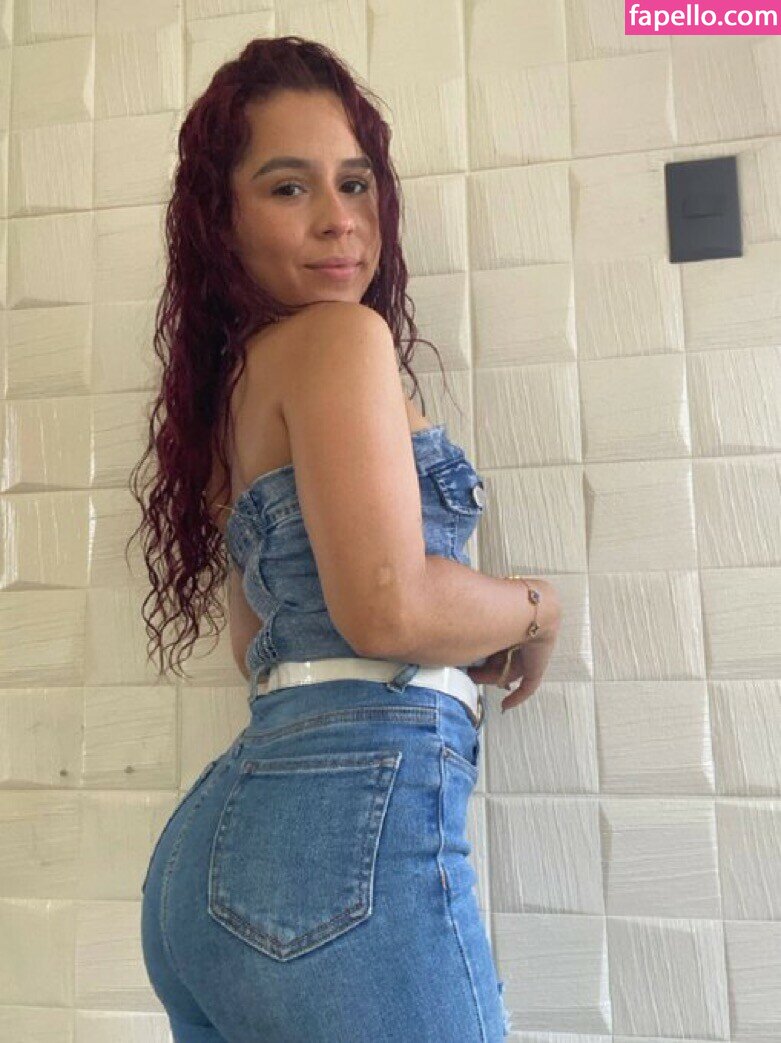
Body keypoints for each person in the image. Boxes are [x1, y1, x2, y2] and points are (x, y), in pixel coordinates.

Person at [134, 35, 561, 1042]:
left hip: (214, 864)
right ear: (221, 220)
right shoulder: (338, 337)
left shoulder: (240, 387)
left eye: (355, 182)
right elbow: (387, 610)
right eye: (289, 187)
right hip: (336, 854)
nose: (339, 219)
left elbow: (260, 642)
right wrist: (535, 608)